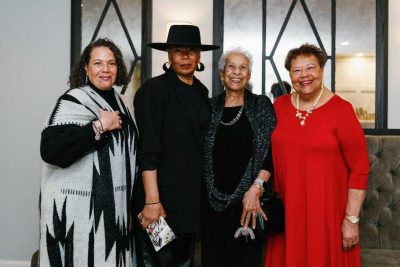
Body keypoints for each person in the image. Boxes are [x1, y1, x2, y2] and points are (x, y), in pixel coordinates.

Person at [265, 43, 370, 267]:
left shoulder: (341, 110)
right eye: (296, 70)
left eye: (310, 68)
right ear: (290, 75)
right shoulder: (279, 107)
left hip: (327, 214)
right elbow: (263, 154)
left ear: (322, 70)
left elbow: (360, 168)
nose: (304, 75)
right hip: (286, 212)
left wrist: (351, 220)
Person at [39, 38, 137, 266]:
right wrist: (99, 126)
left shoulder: (124, 104)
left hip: (116, 213)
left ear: (118, 68)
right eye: (98, 63)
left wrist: (129, 207)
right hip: (79, 216)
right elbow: (50, 149)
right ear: (86, 67)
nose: (105, 69)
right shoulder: (73, 101)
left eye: (111, 63)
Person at [133, 25, 219, 267]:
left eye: (191, 51)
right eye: (178, 51)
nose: (185, 56)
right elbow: (148, 147)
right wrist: (152, 202)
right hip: (159, 202)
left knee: (183, 262)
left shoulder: (202, 91)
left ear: (199, 56)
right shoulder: (155, 89)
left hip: (189, 202)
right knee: (158, 262)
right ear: (168, 55)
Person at [201, 47, 276, 267]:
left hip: (248, 202)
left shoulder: (260, 105)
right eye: (231, 67)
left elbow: (269, 152)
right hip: (211, 202)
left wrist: (256, 188)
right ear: (222, 74)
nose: (237, 72)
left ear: (249, 74)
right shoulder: (209, 106)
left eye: (243, 67)